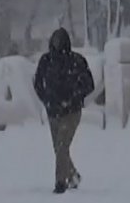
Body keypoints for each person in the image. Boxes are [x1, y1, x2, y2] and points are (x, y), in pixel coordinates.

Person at [33, 28, 95, 194]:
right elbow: (38, 83)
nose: (57, 44)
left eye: (59, 40)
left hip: (71, 112)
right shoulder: (46, 61)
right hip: (53, 111)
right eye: (55, 40)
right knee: (59, 148)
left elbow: (89, 85)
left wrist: (74, 98)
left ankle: (60, 182)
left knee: (62, 146)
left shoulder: (77, 61)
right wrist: (46, 100)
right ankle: (73, 175)